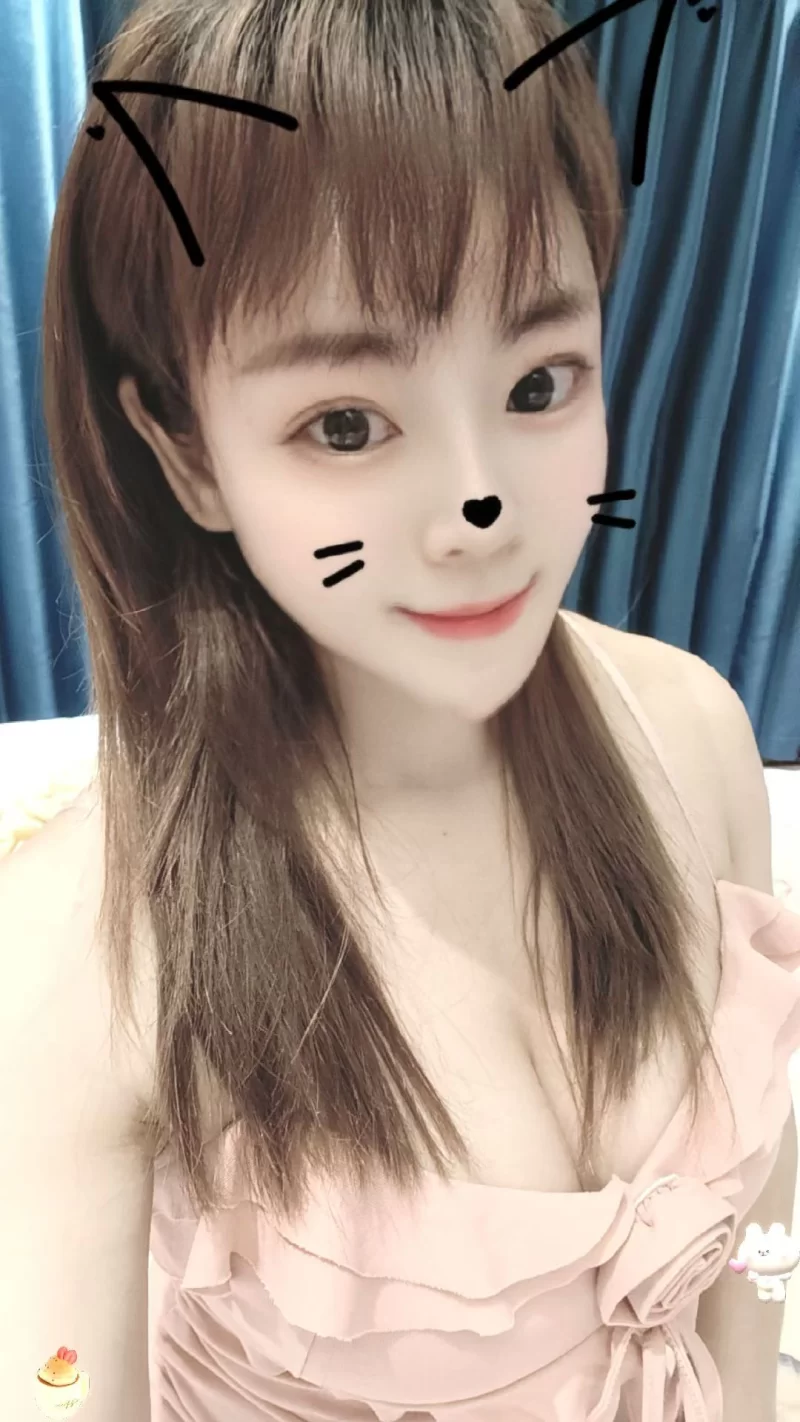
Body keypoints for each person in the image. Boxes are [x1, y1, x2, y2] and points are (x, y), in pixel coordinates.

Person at [3, 1, 799, 1419]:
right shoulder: (87, 940)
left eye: (540, 382)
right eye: (347, 425)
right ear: (187, 456)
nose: (479, 508)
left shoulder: (694, 732)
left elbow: (755, 1243)